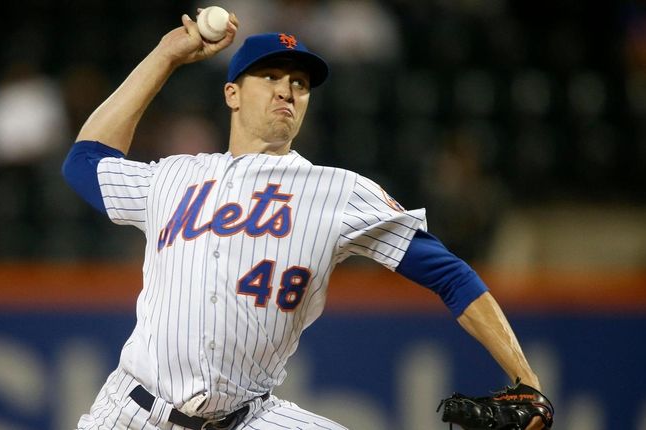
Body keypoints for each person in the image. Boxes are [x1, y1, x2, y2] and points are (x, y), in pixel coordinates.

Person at [62, 10, 547, 430]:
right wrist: (165, 56)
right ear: (232, 94)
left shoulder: (338, 191)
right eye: (270, 76)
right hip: (131, 411)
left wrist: (527, 382)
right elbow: (84, 161)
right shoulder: (175, 176)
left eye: (299, 83)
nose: (287, 91)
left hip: (248, 417)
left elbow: (449, 274)